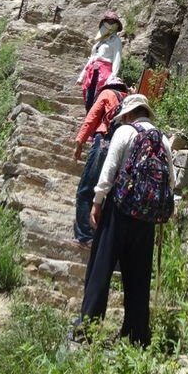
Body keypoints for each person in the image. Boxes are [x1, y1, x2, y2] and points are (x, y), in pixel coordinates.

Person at [77, 93, 175, 346]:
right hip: (147, 218)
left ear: (130, 114)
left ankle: (86, 329)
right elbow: (171, 181)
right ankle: (136, 335)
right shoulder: (163, 139)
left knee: (100, 269)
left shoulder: (125, 132)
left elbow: (109, 170)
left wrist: (97, 202)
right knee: (139, 276)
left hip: (119, 210)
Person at [71, 77, 128, 248]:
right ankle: (102, 237)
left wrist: (79, 142)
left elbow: (92, 118)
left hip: (103, 143)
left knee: (87, 189)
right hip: (122, 149)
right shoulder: (129, 99)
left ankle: (85, 236)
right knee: (108, 193)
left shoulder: (106, 93)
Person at [77, 10, 123, 112]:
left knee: (97, 95)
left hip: (105, 72)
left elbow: (117, 57)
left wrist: (113, 75)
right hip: (92, 70)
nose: (110, 24)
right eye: (108, 21)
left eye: (112, 22)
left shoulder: (116, 40)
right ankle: (88, 115)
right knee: (88, 93)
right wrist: (82, 75)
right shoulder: (100, 41)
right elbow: (93, 57)